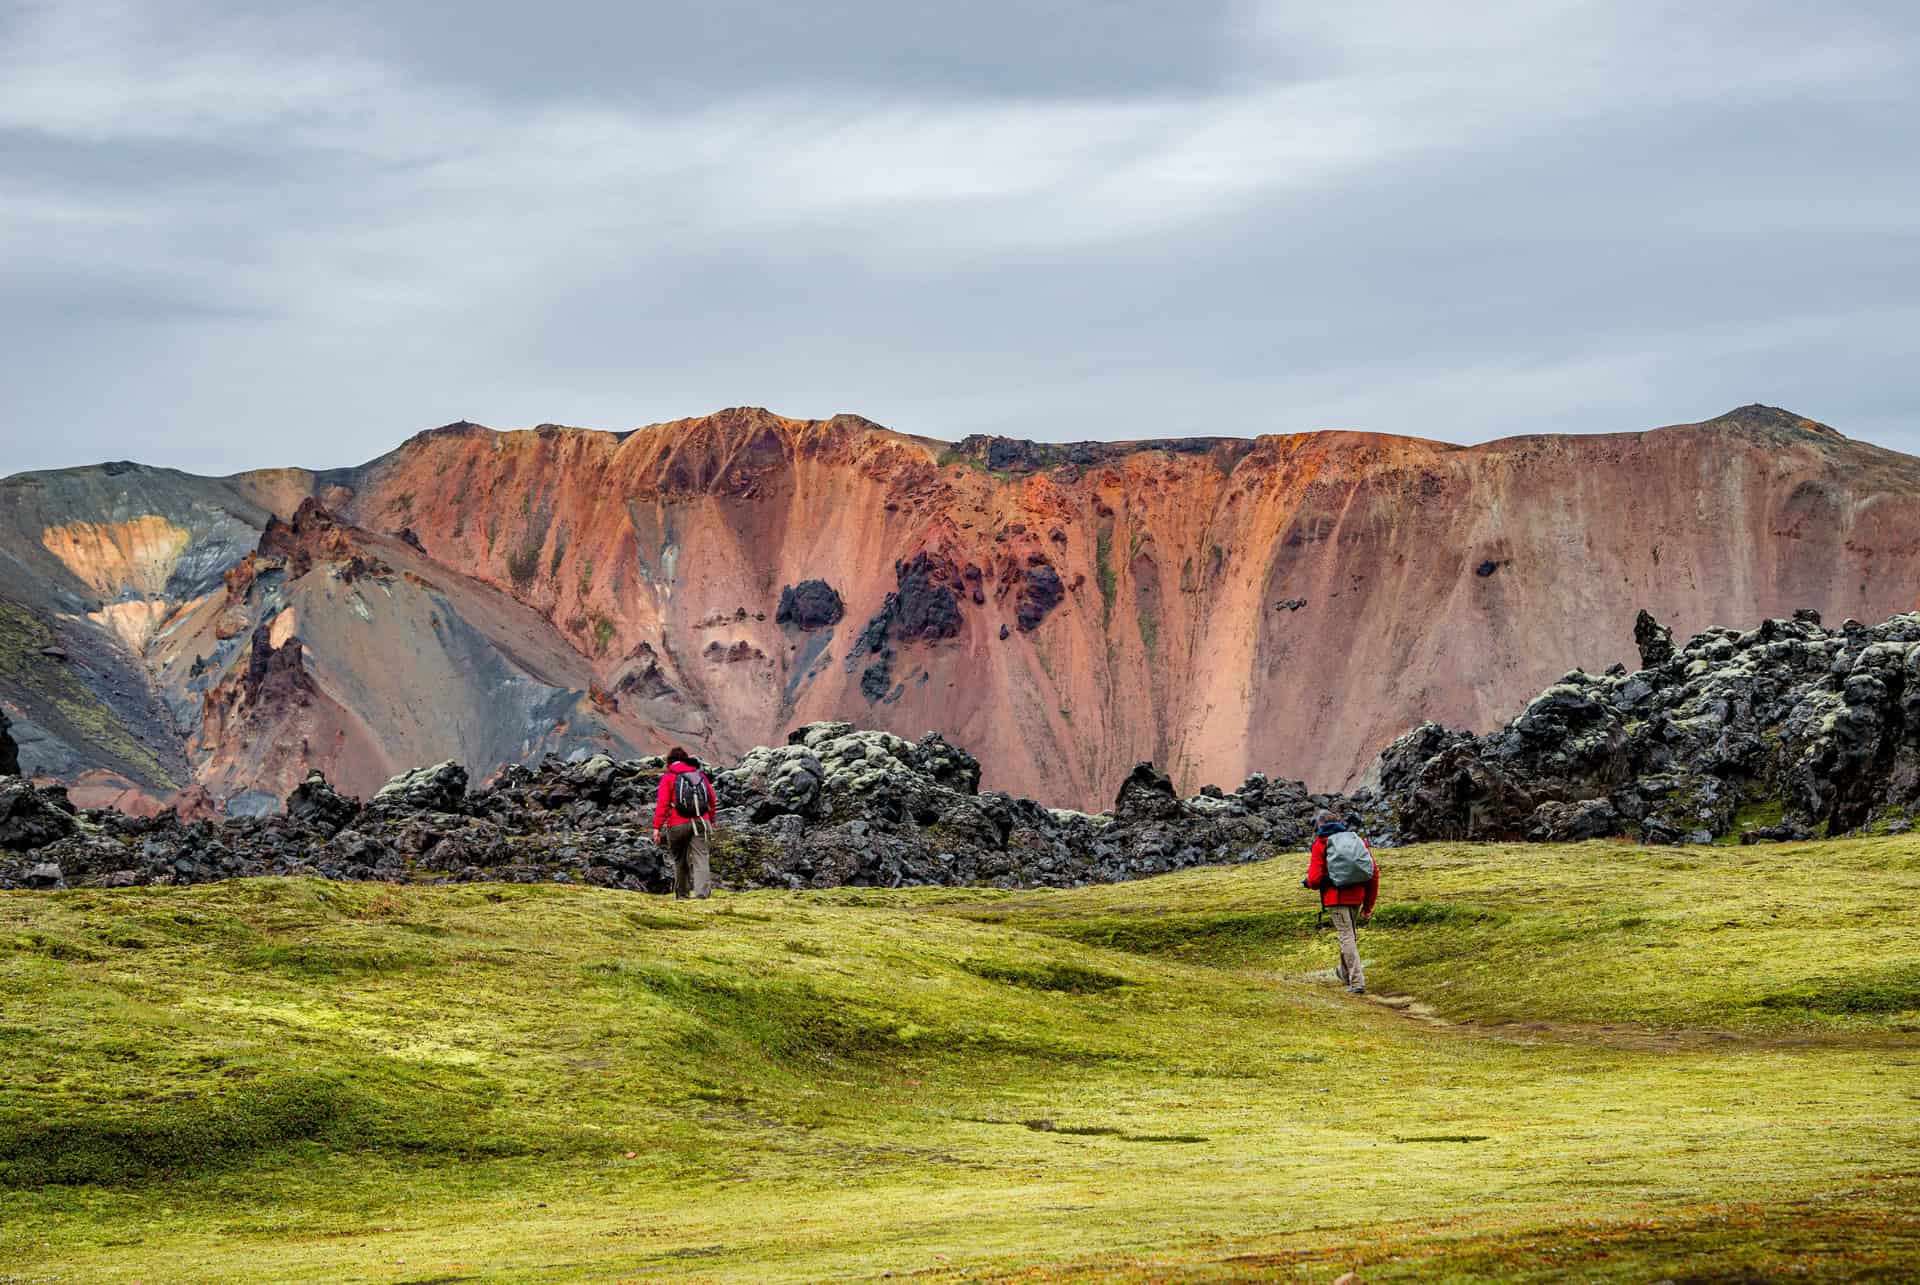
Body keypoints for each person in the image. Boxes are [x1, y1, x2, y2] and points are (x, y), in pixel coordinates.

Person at [1304, 809, 1378, 994]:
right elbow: (1373, 873)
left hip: (1336, 898)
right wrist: (1368, 905)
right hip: (1357, 896)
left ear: (1319, 825)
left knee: (1346, 937)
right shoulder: (1357, 841)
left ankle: (1356, 982)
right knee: (1349, 936)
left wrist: (1309, 883)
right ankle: (1344, 973)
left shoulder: (1321, 844)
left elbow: (1314, 879)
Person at [652, 747, 718, 899]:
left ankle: (682, 895)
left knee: (680, 859)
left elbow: (663, 804)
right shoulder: (699, 774)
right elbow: (712, 799)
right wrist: (711, 820)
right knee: (701, 857)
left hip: (677, 824)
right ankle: (702, 896)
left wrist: (657, 827)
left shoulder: (669, 777)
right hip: (702, 821)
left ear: (669, 761)